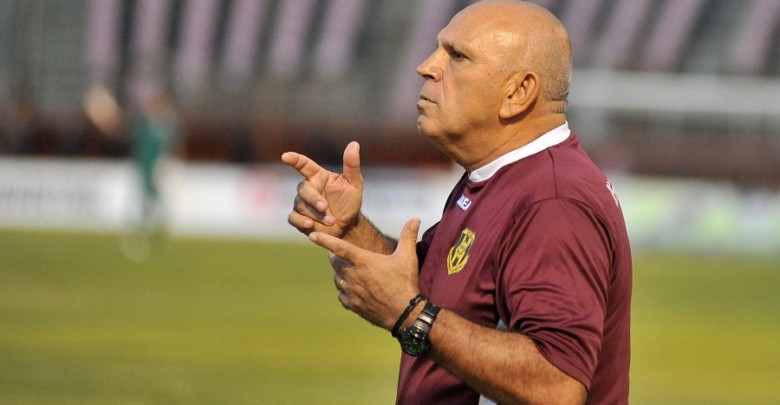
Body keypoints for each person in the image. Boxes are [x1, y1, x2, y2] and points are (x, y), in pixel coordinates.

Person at [281, 1, 631, 404]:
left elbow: (556, 386)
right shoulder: (501, 176)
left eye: (457, 56)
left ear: (518, 92)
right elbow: (437, 293)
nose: (426, 66)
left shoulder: (553, 201)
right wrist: (350, 228)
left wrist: (411, 316)